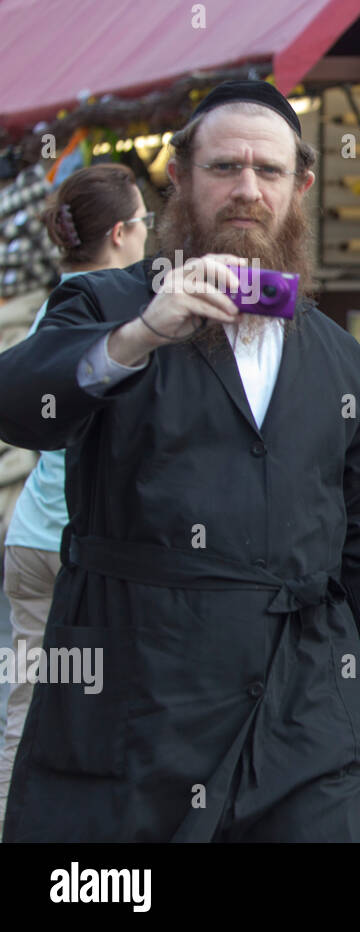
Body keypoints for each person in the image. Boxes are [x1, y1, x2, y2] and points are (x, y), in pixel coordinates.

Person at [0, 80, 360, 842]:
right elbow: (19, 405)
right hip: (141, 699)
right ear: (179, 177)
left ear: (300, 187)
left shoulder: (337, 354)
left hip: (300, 704)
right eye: (225, 167)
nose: (248, 189)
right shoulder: (106, 305)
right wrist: (142, 333)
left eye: (269, 170)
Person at [0, 163, 148, 834]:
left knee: (33, 700)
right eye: (143, 222)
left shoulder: (52, 309)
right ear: (119, 233)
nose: (148, 235)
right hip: (77, 549)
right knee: (76, 706)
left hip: (31, 538)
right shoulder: (113, 315)